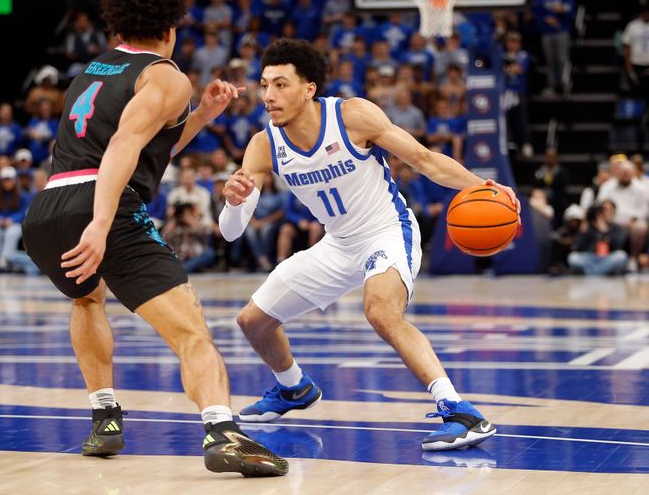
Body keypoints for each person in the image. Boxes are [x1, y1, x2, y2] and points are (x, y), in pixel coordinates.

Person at [20, 0, 287, 477]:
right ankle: (222, 432)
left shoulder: (91, 71)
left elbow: (140, 146)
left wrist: (202, 116)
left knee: (87, 298)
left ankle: (104, 417)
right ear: (171, 27)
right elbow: (122, 148)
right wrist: (100, 224)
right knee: (191, 332)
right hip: (103, 206)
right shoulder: (165, 74)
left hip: (48, 210)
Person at [219, 38, 520, 451]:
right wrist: (234, 203)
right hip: (337, 244)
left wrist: (483, 186)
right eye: (265, 84)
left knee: (380, 312)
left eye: (281, 84)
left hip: (386, 230)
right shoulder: (263, 144)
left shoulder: (352, 116)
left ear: (309, 88)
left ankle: (461, 412)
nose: (269, 95)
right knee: (252, 322)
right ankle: (294, 388)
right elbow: (231, 232)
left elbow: (425, 160)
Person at [568, 201, 629, 275]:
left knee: (621, 256)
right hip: (589, 257)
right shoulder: (588, 227)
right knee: (572, 258)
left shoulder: (617, 228)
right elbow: (575, 247)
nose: (604, 212)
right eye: (602, 210)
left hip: (607, 257)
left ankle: (592, 273)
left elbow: (618, 246)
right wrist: (583, 228)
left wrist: (605, 231)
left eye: (607, 209)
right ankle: (600, 272)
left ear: (613, 211)